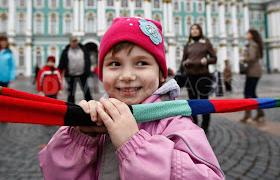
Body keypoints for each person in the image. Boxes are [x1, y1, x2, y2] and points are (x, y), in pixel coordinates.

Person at [38, 17, 224, 179]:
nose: (127, 75)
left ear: (161, 74)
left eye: (141, 63)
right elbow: (55, 173)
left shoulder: (176, 123)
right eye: (115, 64)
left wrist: (135, 145)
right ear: (101, 74)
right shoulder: (91, 121)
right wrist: (79, 140)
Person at [181, 24, 217, 134]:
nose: (194, 30)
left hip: (203, 75)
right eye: (192, 29)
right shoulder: (188, 45)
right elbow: (183, 61)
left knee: (204, 100)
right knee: (192, 101)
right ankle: (194, 123)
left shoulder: (206, 43)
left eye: (196, 29)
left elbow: (214, 58)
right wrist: (185, 63)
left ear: (200, 31)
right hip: (190, 75)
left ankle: (205, 125)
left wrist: (206, 61)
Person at [240, 29, 265, 123]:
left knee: (247, 94)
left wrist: (244, 59)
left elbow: (252, 57)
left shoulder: (253, 45)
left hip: (253, 72)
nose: (246, 35)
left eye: (248, 33)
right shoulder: (253, 44)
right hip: (254, 72)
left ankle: (248, 116)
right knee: (252, 94)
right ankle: (260, 113)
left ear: (252, 35)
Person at [58, 36, 93, 103]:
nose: (74, 43)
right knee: (71, 92)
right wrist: (59, 71)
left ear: (77, 42)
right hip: (71, 75)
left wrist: (88, 71)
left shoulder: (83, 49)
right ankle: (71, 106)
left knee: (86, 91)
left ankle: (90, 104)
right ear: (70, 42)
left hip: (83, 74)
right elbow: (62, 62)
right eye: (73, 41)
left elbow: (88, 60)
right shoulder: (66, 51)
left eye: (75, 41)